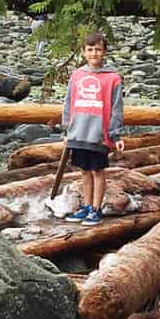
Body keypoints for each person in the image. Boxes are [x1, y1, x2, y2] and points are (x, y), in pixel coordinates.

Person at [60, 30, 125, 224]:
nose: (94, 53)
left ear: (104, 52)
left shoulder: (113, 78)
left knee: (98, 171)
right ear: (83, 52)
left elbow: (116, 108)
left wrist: (116, 135)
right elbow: (68, 103)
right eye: (90, 49)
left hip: (98, 133)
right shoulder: (77, 75)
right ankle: (86, 206)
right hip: (78, 131)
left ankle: (96, 209)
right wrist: (66, 129)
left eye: (98, 49)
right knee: (84, 171)